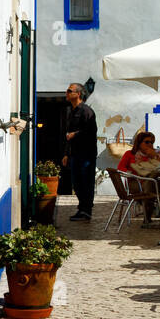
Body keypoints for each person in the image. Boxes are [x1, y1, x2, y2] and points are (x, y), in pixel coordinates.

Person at [62, 82, 98, 221]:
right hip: (75, 153)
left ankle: (86, 211)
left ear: (78, 94)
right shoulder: (72, 111)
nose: (67, 93)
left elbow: (90, 132)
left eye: (69, 90)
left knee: (86, 182)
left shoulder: (87, 111)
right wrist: (66, 153)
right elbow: (67, 134)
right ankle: (82, 208)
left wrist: (75, 135)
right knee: (76, 183)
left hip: (86, 154)